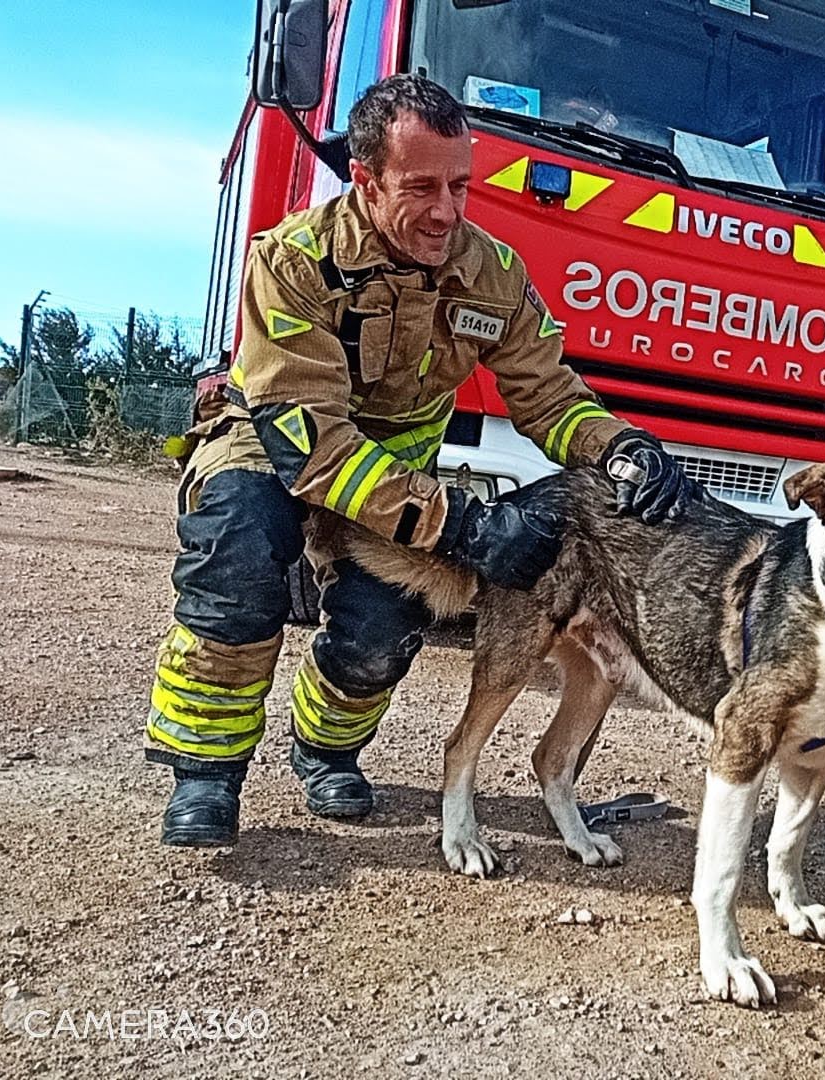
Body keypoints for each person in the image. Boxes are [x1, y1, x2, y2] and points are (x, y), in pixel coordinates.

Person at [147, 75, 696, 848]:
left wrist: (622, 450)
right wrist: (460, 524)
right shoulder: (291, 259)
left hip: (393, 468)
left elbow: (546, 394)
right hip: (272, 447)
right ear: (365, 180)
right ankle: (205, 770)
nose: (447, 210)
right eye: (422, 186)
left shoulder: (492, 272)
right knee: (238, 563)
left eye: (461, 185)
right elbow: (308, 438)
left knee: (385, 621)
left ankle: (327, 749)